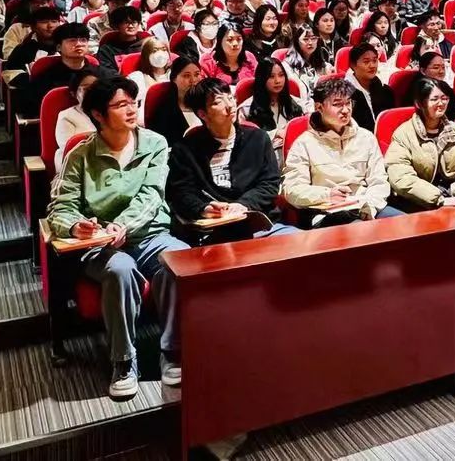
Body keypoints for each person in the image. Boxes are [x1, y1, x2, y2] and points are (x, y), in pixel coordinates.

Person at [46, 76, 187, 399]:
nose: (131, 110)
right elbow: (60, 207)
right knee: (120, 269)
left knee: (180, 260)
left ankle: (173, 350)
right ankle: (123, 360)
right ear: (98, 114)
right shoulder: (80, 154)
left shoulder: (154, 143)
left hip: (148, 234)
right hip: (100, 244)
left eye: (133, 103)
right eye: (121, 105)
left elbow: (152, 195)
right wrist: (76, 226)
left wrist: (122, 225)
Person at [167, 77, 297, 244]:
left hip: (259, 226)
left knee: (300, 243)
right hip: (214, 232)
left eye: (230, 97)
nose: (229, 105)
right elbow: (181, 192)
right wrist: (204, 208)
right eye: (218, 102)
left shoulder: (258, 138)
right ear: (202, 114)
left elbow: (270, 183)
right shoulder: (185, 150)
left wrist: (244, 204)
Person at [282, 78, 403, 223]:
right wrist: (326, 195)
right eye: (337, 104)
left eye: (348, 103)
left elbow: (379, 181)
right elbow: (292, 189)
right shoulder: (304, 143)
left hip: (366, 205)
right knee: (359, 229)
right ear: (319, 107)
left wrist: (370, 205)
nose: (345, 110)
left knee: (407, 224)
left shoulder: (366, 137)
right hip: (326, 211)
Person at [385, 78, 455, 210]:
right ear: (419, 103)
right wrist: (438, 199)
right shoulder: (404, 134)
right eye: (434, 99)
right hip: (420, 202)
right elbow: (400, 175)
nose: (441, 103)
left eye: (444, 98)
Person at [145, 56, 204, 143]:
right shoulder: (164, 109)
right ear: (174, 78)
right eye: (186, 76)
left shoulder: (206, 103)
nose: (193, 80)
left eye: (197, 74)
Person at [52, 69, 99, 173]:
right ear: (74, 93)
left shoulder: (110, 112)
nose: (93, 92)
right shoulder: (67, 116)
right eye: (87, 89)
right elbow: (70, 150)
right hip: (75, 168)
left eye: (96, 87)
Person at [3, 6, 62, 88]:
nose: (50, 26)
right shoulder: (24, 49)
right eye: (44, 22)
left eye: (54, 21)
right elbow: (11, 73)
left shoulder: (66, 45)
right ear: (33, 26)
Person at [345, 43, 394, 132]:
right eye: (366, 62)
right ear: (353, 65)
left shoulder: (385, 91)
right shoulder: (345, 95)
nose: (372, 66)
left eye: (375, 60)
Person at [128, 37, 171, 121]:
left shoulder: (175, 75)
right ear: (146, 55)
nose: (160, 54)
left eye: (164, 49)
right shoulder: (137, 77)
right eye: (154, 51)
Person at [97, 6, 146, 77]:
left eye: (134, 22)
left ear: (139, 24)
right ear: (117, 25)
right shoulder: (107, 50)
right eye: (126, 22)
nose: (131, 26)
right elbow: (108, 73)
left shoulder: (146, 45)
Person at [417, 51, 455, 120]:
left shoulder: (444, 86)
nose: (441, 71)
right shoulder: (416, 90)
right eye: (436, 68)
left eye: (443, 67)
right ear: (423, 71)